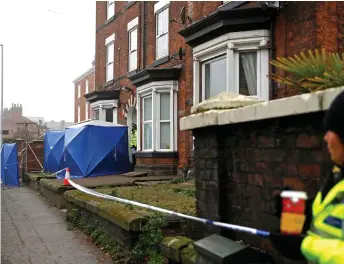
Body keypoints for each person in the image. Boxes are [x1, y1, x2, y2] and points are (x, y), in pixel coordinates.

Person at [272, 91, 344, 263]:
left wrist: (304, 246)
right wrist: (303, 212)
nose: (326, 138)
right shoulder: (337, 176)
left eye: (331, 130)